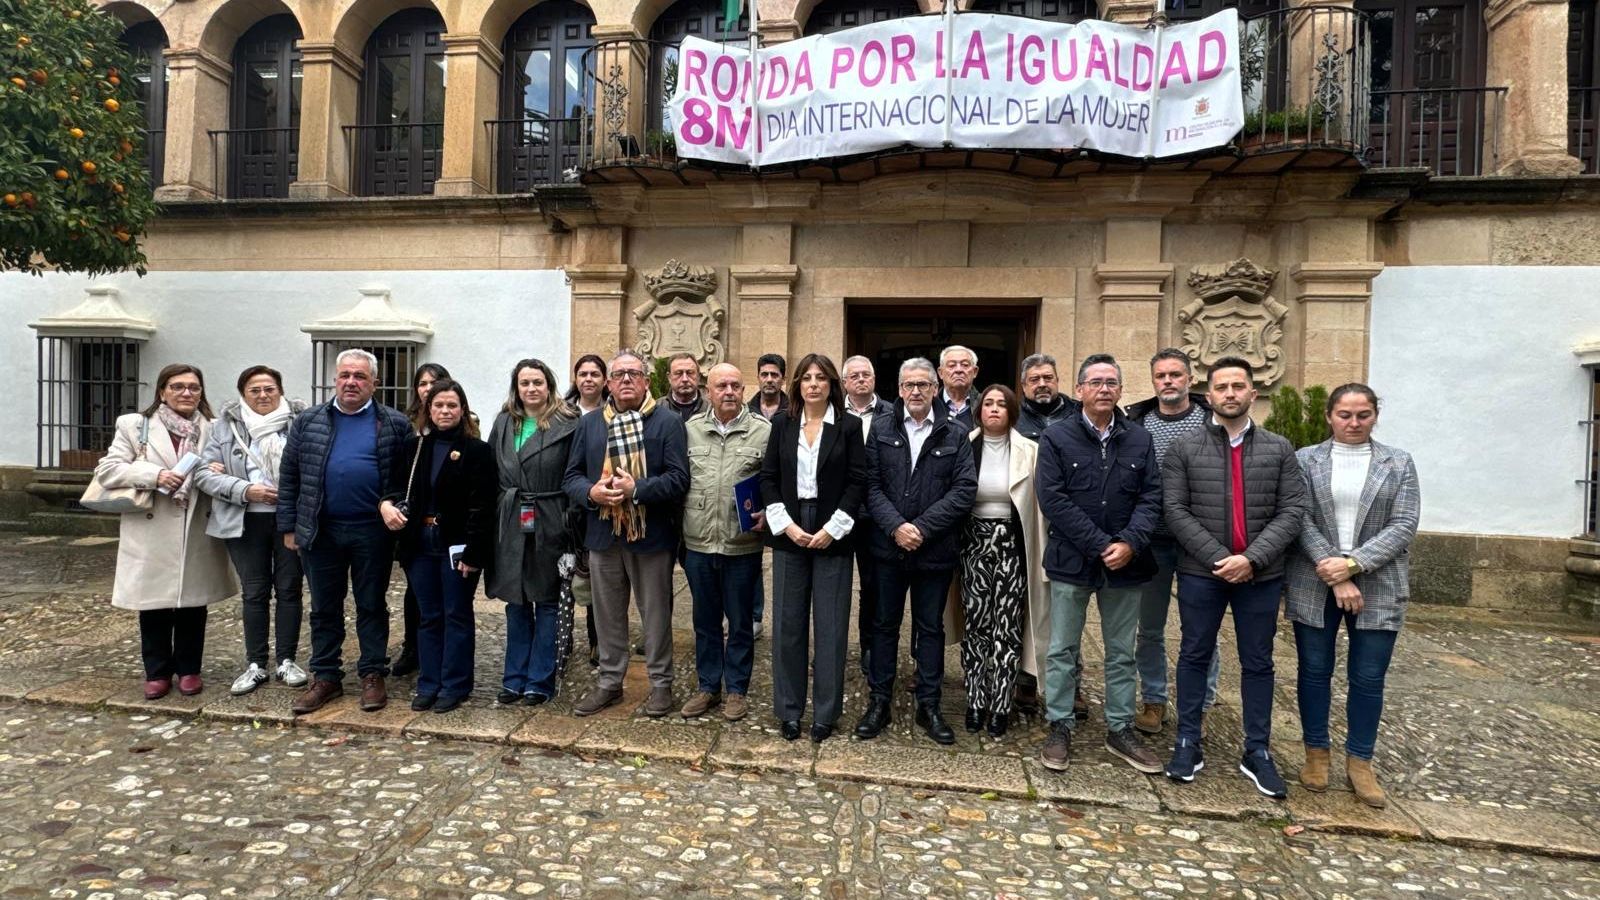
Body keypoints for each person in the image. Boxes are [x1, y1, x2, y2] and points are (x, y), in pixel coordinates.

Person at [1162, 356, 1306, 798]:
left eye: (1237, 386)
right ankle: (1188, 740)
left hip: (1260, 575)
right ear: (1209, 395)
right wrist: (1221, 558)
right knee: (1194, 654)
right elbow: (1175, 510)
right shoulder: (1184, 448)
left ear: (1252, 394)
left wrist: (1252, 559)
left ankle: (1257, 749)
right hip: (1201, 572)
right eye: (1221, 387)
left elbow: (1292, 510)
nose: (1229, 394)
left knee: (1258, 661)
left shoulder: (1279, 449)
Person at [1287, 384, 1420, 809]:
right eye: (1345, 414)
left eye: (1363, 414)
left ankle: (1360, 760)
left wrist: (1354, 564)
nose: (1354, 422)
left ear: (1375, 415)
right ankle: (1316, 753)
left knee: (1368, 676)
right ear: (1330, 416)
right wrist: (1334, 570)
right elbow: (1298, 517)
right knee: (1314, 670)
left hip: (1378, 579)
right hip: (1315, 577)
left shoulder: (1398, 462)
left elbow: (1404, 523)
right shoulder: (1305, 459)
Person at [1034, 355, 1165, 774]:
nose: (1104, 389)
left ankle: (1120, 727)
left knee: (1121, 652)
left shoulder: (1140, 439)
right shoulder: (1056, 436)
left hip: (1127, 564)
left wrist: (1129, 542)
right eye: (1095, 382)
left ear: (1121, 390)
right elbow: (1052, 498)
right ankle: (1060, 724)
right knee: (1062, 649)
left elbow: (1151, 497)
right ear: (1079, 390)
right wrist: (1100, 543)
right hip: (1072, 560)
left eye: (1111, 382)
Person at [279, 348, 414, 715]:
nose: (351, 382)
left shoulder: (394, 424)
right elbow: (290, 476)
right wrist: (289, 526)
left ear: (374, 383)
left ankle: (372, 672)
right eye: (345, 375)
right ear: (335, 379)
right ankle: (325, 676)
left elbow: (406, 481)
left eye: (360, 376)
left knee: (371, 604)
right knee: (324, 607)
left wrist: (393, 505)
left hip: (372, 532)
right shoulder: (309, 421)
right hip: (321, 529)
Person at [95, 364, 236, 700]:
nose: (186, 393)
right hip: (152, 524)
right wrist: (154, 475)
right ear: (162, 391)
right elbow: (108, 469)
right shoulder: (135, 425)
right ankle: (157, 672)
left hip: (196, 523)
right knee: (153, 602)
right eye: (177, 386)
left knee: (193, 603)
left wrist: (216, 469)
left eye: (193, 387)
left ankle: (189, 669)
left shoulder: (214, 428)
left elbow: (230, 467)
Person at [563, 349, 690, 718]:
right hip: (603, 535)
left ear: (647, 381)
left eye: (634, 374)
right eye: (619, 375)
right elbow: (571, 477)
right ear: (609, 383)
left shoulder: (667, 423)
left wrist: (638, 490)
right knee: (607, 615)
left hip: (650, 535)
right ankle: (609, 682)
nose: (626, 380)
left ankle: (661, 684)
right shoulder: (590, 424)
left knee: (655, 614)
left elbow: (679, 479)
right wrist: (592, 492)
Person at [857, 357, 976, 745]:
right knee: (883, 626)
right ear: (899, 389)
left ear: (935, 388)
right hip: (887, 549)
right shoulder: (880, 428)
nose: (916, 391)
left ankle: (929, 704)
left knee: (930, 629)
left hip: (934, 550)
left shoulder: (955, 433)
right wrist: (896, 526)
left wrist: (921, 528)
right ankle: (879, 701)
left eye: (923, 384)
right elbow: (871, 486)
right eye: (909, 385)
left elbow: (963, 490)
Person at [761, 354, 865, 743]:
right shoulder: (782, 424)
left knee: (831, 626)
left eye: (821, 378)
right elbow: (768, 477)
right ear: (797, 385)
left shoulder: (849, 426)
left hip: (832, 529)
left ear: (832, 384)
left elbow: (857, 481)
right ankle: (789, 711)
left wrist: (832, 529)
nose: (814, 384)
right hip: (790, 526)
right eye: (807, 378)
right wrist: (785, 525)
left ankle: (825, 713)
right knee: (787, 626)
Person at [380, 379, 496, 713]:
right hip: (420, 542)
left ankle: (455, 684)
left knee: (456, 613)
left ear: (463, 410)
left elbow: (483, 506)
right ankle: (429, 682)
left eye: (452, 405)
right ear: (428, 410)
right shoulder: (414, 447)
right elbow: (394, 488)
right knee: (428, 615)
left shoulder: (477, 451)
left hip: (456, 545)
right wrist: (387, 506)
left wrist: (474, 552)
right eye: (439, 405)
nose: (445, 411)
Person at [194, 365, 309, 696]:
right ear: (243, 394)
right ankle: (256, 663)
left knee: (289, 588)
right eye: (254, 390)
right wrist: (246, 490)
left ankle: (287, 660)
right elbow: (203, 474)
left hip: (290, 517)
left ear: (280, 391)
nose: (263, 395)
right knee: (254, 591)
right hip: (244, 518)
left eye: (269, 389)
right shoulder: (223, 427)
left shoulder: (300, 423)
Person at [1123, 348, 1220, 736]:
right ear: (1153, 380)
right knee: (1149, 628)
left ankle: (1201, 704)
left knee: (1201, 629)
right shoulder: (1137, 422)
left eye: (1176, 375)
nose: (1168, 381)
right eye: (1161, 375)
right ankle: (1154, 699)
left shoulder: (1211, 421)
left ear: (1190, 378)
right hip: (1152, 541)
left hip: (1199, 542)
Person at [486, 359, 582, 706]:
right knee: (516, 601)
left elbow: (575, 474)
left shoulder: (569, 423)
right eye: (524, 383)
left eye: (537, 382)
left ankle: (539, 681)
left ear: (549, 385)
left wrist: (570, 528)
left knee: (547, 601)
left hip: (550, 518)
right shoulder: (503, 422)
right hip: (510, 519)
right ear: (516, 387)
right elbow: (491, 471)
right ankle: (513, 678)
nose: (531, 389)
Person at [955, 385, 1048, 738]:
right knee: (976, 623)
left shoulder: (1030, 450)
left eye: (1001, 404)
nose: (994, 409)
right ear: (979, 410)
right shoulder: (964, 445)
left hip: (1012, 544)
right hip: (973, 543)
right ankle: (976, 699)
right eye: (988, 403)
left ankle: (1000, 704)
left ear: (1012, 411)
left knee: (1006, 627)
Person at [681, 363, 770, 723]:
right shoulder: (689, 430)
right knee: (704, 621)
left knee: (740, 621)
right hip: (699, 542)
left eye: (735, 385)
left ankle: (736, 689)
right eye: (722, 386)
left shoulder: (763, 432)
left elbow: (774, 482)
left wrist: (769, 513)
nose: (729, 391)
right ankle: (708, 686)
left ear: (744, 390)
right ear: (709, 392)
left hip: (741, 543)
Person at [393, 362, 454, 677]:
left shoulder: (458, 418)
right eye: (422, 383)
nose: (428, 388)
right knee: (415, 591)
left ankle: (441, 650)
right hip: (414, 520)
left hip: (445, 519)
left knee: (446, 594)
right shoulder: (407, 425)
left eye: (434, 382)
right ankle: (412, 646)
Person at [562, 353, 608, 664]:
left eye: (595, 374)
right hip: (565, 502)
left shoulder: (612, 413)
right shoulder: (561, 414)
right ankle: (562, 640)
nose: (588, 379)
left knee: (593, 575)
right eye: (583, 374)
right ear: (575, 379)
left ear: (605, 380)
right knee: (562, 575)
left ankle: (597, 641)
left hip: (596, 504)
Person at [841, 355, 883, 678]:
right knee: (833, 586)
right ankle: (831, 650)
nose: (860, 379)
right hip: (839, 512)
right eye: (853, 375)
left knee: (873, 587)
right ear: (844, 383)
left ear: (874, 379)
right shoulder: (831, 413)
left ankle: (870, 650)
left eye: (865, 374)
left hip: (875, 516)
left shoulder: (892, 414)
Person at [1015, 353, 1076, 442]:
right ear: (1024, 386)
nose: (1042, 384)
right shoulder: (1012, 417)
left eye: (1048, 378)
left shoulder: (1079, 412)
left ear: (1057, 381)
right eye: (1034, 379)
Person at [935, 345, 979, 432]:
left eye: (965, 365)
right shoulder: (928, 406)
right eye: (952, 365)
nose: (958, 370)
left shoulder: (985, 405)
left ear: (975, 372)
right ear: (940, 373)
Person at [664, 352, 708, 421]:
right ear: (669, 377)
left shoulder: (711, 409)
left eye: (690, 373)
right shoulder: (657, 409)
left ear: (698, 376)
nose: (685, 379)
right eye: (678, 373)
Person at [748, 353, 789, 420]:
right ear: (758, 378)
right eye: (764, 374)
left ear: (783, 379)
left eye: (774, 375)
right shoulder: (746, 412)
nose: (769, 380)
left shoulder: (794, 411)